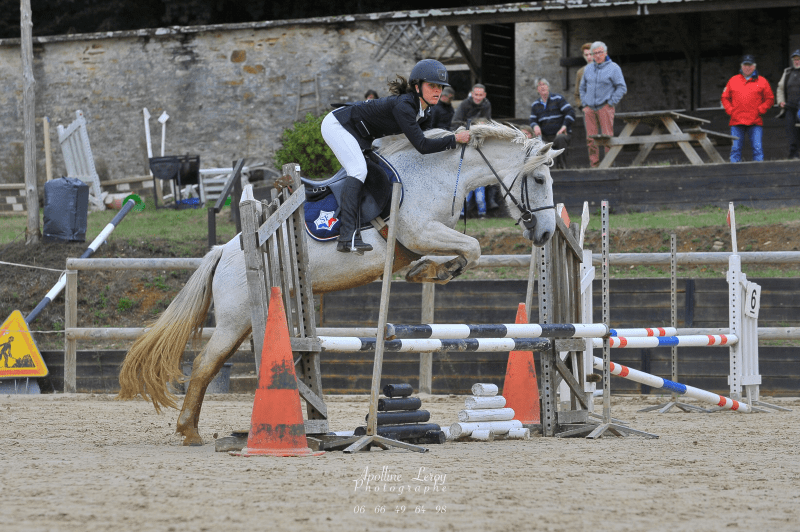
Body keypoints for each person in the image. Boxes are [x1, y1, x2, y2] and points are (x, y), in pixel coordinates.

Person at [321, 59, 471, 254]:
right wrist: (454, 139)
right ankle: (347, 236)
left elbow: (426, 141)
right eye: (432, 86)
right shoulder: (405, 107)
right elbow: (423, 146)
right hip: (338, 125)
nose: (438, 91)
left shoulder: (424, 111)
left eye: (440, 87)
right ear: (417, 87)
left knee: (372, 171)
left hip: (360, 134)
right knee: (358, 170)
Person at [579, 41, 627, 168]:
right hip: (589, 108)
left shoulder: (614, 68)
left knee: (607, 138)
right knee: (590, 139)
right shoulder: (588, 69)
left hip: (605, 107)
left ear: (605, 53)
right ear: (592, 55)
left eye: (600, 52)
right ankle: (594, 166)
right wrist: (585, 104)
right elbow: (582, 87)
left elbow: (622, 87)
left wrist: (611, 103)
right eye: (595, 53)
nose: (598, 55)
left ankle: (609, 165)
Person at [721, 55, 774, 163]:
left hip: (755, 121)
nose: (747, 67)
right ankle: (734, 175)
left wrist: (760, 110)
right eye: (745, 65)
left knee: (757, 149)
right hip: (736, 121)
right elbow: (724, 98)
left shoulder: (762, 81)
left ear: (754, 66)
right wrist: (731, 111)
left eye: (750, 65)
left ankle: (759, 174)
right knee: (735, 150)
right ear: (741, 66)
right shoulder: (733, 80)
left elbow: (770, 99)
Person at [529, 78, 575, 169]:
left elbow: (571, 112)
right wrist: (535, 126)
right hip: (545, 136)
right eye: (539, 85)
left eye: (544, 84)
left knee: (560, 138)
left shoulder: (558, 99)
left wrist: (564, 126)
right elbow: (532, 120)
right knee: (537, 142)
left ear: (548, 87)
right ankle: (547, 168)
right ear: (537, 90)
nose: (542, 87)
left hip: (560, 133)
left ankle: (562, 167)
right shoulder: (535, 105)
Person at [776, 50, 800, 159]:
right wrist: (781, 101)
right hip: (789, 107)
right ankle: (793, 155)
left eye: (798, 59)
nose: (796, 61)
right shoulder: (788, 72)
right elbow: (780, 88)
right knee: (791, 131)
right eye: (795, 59)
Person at [573, 43, 593, 107]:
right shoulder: (580, 72)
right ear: (583, 56)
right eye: (586, 55)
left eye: (591, 54)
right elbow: (577, 94)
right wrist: (581, 105)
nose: (589, 57)